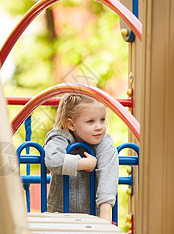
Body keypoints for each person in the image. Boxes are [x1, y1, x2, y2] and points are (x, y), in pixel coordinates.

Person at [43, 93, 119, 222]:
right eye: (91, 121)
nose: (99, 127)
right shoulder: (59, 137)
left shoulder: (103, 142)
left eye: (102, 119)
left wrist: (105, 212)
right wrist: (84, 164)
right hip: (60, 213)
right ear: (71, 125)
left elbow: (108, 170)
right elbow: (52, 159)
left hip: (93, 214)